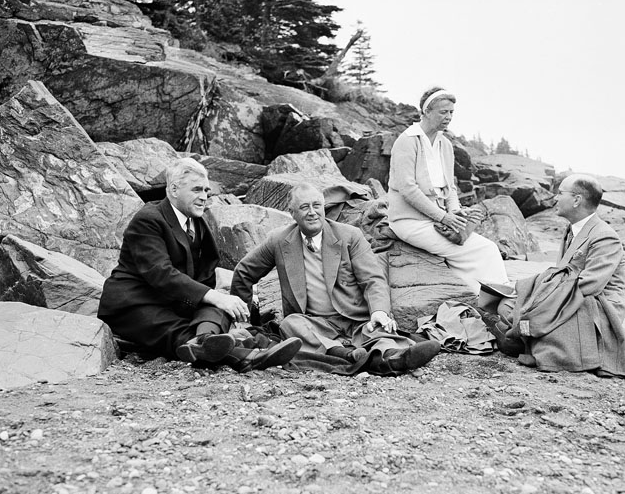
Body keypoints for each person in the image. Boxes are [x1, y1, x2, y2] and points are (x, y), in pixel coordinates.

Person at [97, 157, 301, 372]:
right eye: (196, 190)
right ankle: (247, 353)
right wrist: (216, 297)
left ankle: (207, 340)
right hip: (134, 305)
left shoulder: (197, 222)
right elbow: (161, 274)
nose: (204, 197)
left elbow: (205, 276)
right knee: (183, 329)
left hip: (172, 304)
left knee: (220, 307)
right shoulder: (148, 219)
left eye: (206, 191)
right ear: (174, 189)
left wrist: (219, 302)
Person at [230, 183, 441, 376]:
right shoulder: (278, 240)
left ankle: (395, 358)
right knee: (291, 324)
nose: (312, 212)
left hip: (355, 319)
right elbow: (244, 272)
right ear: (292, 213)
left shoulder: (350, 235)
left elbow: (373, 280)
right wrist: (243, 318)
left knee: (378, 331)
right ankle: (348, 356)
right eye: (304, 207)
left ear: (324, 207)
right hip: (314, 322)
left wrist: (378, 311)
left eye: (317, 205)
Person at [495, 174, 625, 378]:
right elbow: (561, 274)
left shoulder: (605, 236)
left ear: (577, 199)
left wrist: (543, 301)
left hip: (595, 305)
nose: (555, 198)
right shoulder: (570, 230)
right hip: (567, 297)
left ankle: (616, 340)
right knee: (507, 305)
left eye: (560, 193)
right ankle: (526, 334)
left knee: (535, 322)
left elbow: (590, 285)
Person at [387, 86, 509, 295]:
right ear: (426, 111)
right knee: (470, 250)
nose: (449, 117)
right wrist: (444, 217)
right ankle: (486, 298)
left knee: (487, 248)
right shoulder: (407, 141)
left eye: (451, 112)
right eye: (443, 112)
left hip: (437, 220)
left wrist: (455, 211)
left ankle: (495, 298)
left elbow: (450, 187)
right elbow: (408, 190)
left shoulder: (445, 144)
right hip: (410, 222)